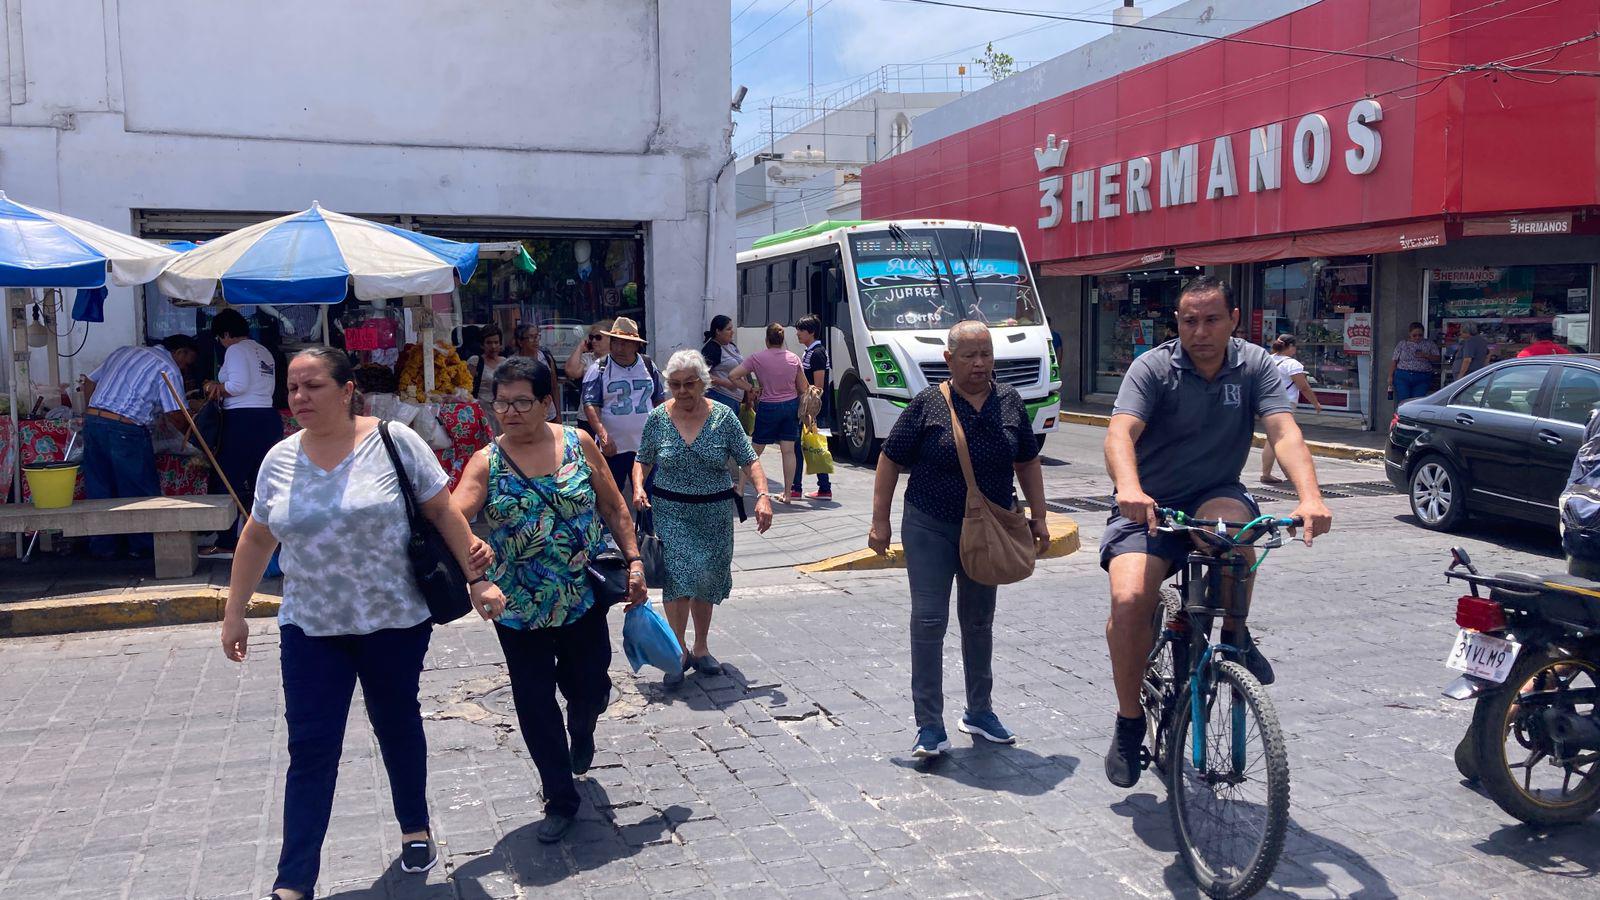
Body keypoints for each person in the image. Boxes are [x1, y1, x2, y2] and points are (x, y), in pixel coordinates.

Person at [218, 347, 505, 900]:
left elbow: (442, 512)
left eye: (312, 387)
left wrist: (476, 579)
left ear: (347, 389)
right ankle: (293, 881)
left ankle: (415, 827)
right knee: (311, 749)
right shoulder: (279, 459)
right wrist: (235, 613)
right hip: (310, 627)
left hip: (393, 621)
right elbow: (257, 536)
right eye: (293, 389)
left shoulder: (397, 442)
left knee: (396, 722)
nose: (299, 398)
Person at [1100, 276, 1332, 789]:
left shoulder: (1255, 365)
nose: (1199, 331)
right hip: (1150, 503)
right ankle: (1128, 721)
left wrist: (1310, 496)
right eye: (1188, 321)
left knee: (1240, 537)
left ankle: (1233, 638)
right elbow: (1120, 432)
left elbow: (1282, 430)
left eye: (1211, 320)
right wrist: (1130, 489)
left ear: (1232, 320)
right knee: (1131, 597)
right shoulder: (1154, 366)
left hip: (1214, 492)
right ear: (1177, 322)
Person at [452, 355, 647, 844]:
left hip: (581, 597)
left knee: (590, 686)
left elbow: (612, 503)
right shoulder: (486, 462)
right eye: (502, 403)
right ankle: (559, 797)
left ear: (547, 403)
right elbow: (454, 520)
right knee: (534, 703)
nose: (510, 412)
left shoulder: (578, 444)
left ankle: (582, 728)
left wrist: (635, 560)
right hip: (517, 607)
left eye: (522, 402)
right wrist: (476, 577)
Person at [867, 321, 1050, 759]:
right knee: (929, 621)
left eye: (986, 353)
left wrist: (1039, 516)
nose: (980, 363)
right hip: (930, 524)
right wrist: (880, 523)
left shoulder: (1009, 402)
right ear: (949, 360)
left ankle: (979, 711)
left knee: (979, 621)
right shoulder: (929, 404)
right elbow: (889, 461)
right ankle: (929, 725)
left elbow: (1027, 461)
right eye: (969, 355)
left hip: (988, 528)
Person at [633, 350, 775, 688]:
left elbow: (749, 459)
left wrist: (764, 496)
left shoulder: (724, 417)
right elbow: (643, 459)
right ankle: (678, 650)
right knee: (679, 578)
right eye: (675, 385)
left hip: (714, 513)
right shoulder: (657, 418)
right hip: (671, 510)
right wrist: (638, 487)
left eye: (689, 384)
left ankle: (701, 647)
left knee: (707, 578)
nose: (682, 391)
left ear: (703, 383)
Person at [80, 334, 199, 559]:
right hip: (125, 429)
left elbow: (89, 380)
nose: (184, 369)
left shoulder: (124, 351)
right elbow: (175, 414)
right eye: (187, 363)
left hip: (94, 422)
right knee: (139, 490)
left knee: (100, 488)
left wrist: (91, 412)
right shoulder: (168, 367)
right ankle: (143, 547)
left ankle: (103, 548)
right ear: (180, 352)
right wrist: (194, 437)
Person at [198, 310, 280, 559]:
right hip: (267, 419)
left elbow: (237, 386)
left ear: (225, 334)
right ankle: (269, 540)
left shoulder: (235, 350)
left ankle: (225, 542)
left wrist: (213, 387)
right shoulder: (262, 350)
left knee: (226, 480)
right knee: (261, 483)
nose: (221, 344)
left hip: (243, 421)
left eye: (220, 338)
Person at [581, 317, 664, 503]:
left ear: (636, 345)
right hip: (613, 447)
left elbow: (659, 400)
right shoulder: (599, 369)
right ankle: (610, 531)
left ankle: (649, 530)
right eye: (615, 342)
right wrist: (602, 435)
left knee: (650, 491)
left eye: (625, 343)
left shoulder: (648, 366)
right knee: (611, 494)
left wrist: (661, 432)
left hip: (645, 445)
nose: (618, 348)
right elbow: (590, 405)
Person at [730, 324, 809, 504]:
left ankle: (741, 489)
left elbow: (733, 376)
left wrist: (751, 388)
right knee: (788, 451)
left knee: (754, 451)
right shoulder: (793, 358)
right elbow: (803, 387)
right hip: (790, 407)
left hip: (767, 407)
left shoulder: (757, 358)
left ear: (767, 340)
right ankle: (788, 494)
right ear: (782, 340)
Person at [1260, 335, 1323, 485]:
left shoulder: (1268, 359)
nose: (1296, 350)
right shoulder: (1292, 364)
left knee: (1274, 438)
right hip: (1285, 404)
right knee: (1280, 439)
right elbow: (1303, 387)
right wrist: (1316, 403)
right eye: (1295, 346)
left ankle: (1274, 473)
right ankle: (1274, 473)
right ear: (1290, 347)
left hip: (1268, 402)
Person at [702, 314, 751, 496]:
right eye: (728, 329)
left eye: (732, 328)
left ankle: (726, 480)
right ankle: (720, 480)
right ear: (718, 331)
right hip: (720, 398)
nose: (732, 332)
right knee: (721, 441)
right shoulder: (712, 349)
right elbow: (703, 374)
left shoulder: (731, 346)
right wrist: (726, 383)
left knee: (729, 441)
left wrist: (748, 392)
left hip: (735, 401)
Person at [791, 314, 832, 501]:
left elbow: (818, 387)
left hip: (813, 411)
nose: (798, 333)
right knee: (811, 447)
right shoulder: (810, 351)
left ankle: (806, 488)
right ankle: (820, 487)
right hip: (810, 410)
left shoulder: (817, 353)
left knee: (810, 447)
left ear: (811, 332)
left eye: (801, 330)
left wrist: (809, 413)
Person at [513, 322, 561, 422]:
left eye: (537, 336)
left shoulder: (545, 358)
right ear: (520, 342)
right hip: (525, 415)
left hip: (548, 413)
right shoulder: (513, 363)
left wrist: (558, 414)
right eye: (531, 337)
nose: (535, 341)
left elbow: (554, 387)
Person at [1389, 321, 1440, 404]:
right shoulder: (1402, 344)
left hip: (1422, 377)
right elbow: (1394, 360)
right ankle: (1402, 417)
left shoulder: (1429, 344)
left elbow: (1437, 358)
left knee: (1417, 402)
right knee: (1403, 401)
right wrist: (1390, 376)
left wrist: (1426, 355)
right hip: (1403, 376)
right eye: (1414, 335)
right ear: (1409, 334)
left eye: (1420, 335)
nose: (1417, 338)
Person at [565, 319, 614, 383]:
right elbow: (572, 372)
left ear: (611, 339)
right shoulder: (587, 358)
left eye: (598, 337)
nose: (593, 341)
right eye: (591, 337)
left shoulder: (619, 358)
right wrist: (580, 348)